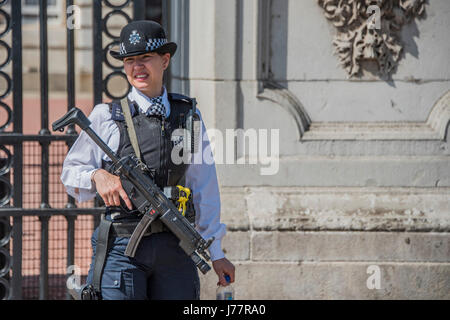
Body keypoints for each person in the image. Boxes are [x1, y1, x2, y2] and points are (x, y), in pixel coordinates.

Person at [61, 20, 235, 300]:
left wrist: (216, 253)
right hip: (122, 247)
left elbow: (204, 186)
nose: (137, 67)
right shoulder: (106, 117)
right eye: (130, 60)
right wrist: (97, 175)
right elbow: (70, 174)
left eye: (146, 58)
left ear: (164, 60)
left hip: (176, 248)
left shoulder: (188, 117)